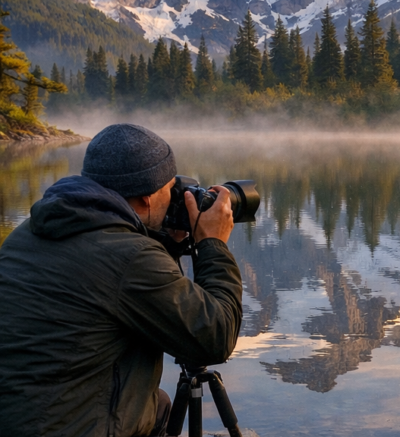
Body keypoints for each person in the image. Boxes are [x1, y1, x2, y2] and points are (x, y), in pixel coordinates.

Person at [0, 124, 243, 436]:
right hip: (63, 427)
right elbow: (215, 337)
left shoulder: (34, 229)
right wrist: (214, 244)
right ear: (145, 200)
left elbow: (124, 290)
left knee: (157, 408)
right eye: (170, 190)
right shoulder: (130, 257)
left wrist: (165, 243)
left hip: (23, 411)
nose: (175, 199)